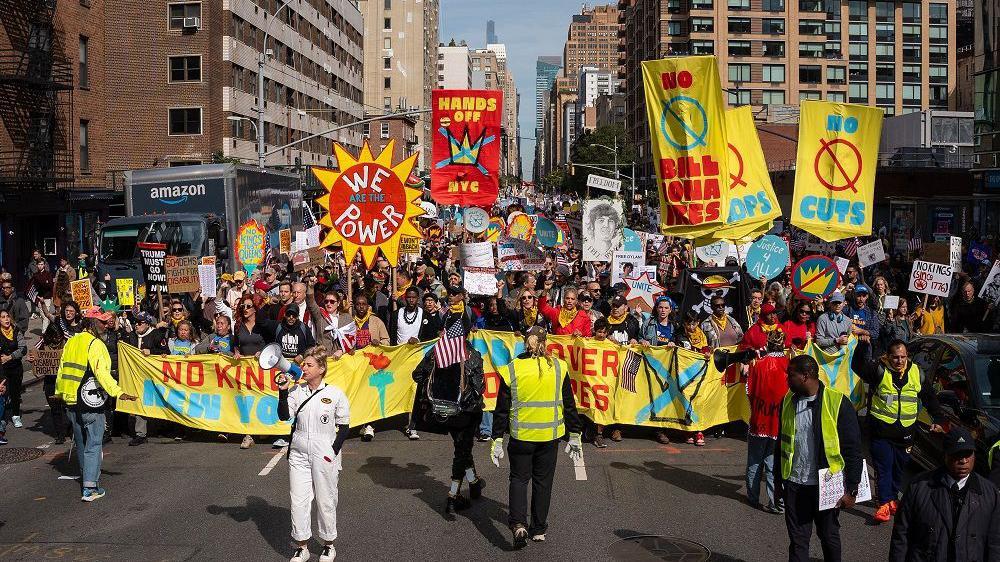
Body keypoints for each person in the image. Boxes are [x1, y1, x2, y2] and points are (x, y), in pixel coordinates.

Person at [491, 326, 584, 547]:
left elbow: (502, 409)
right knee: (543, 483)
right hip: (550, 437)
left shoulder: (512, 369)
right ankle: (539, 529)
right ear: (545, 342)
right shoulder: (559, 367)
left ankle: (518, 524)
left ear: (525, 342)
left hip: (521, 436)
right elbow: (569, 405)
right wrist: (575, 434)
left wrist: (496, 439)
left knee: (519, 479)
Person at [777, 354, 863, 562]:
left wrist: (852, 489)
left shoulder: (837, 402)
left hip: (826, 487)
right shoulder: (787, 400)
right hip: (795, 485)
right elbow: (779, 444)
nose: (787, 379)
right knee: (798, 541)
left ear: (805, 376)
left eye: (791, 375)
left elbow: (853, 450)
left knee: (828, 536)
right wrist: (779, 482)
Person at [851, 338, 944, 524]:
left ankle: (892, 499)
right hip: (881, 433)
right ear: (888, 356)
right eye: (895, 357)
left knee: (898, 469)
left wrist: (938, 419)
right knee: (884, 468)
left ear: (907, 356)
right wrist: (862, 345)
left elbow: (929, 397)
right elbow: (857, 365)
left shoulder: (917, 373)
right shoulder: (878, 370)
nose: (899, 361)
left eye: (903, 357)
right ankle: (884, 503)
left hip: (906, 434)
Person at [54, 307, 138, 501]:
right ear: (92, 323)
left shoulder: (72, 342)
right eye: (101, 321)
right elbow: (102, 374)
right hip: (89, 403)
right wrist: (119, 392)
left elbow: (62, 370)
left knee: (83, 443)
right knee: (93, 444)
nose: (105, 324)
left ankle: (86, 477)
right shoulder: (95, 344)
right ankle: (90, 488)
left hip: (70, 402)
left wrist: (59, 394)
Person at [411, 302, 487, 515]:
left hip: (442, 411)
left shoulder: (437, 352)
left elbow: (416, 375)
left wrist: (434, 386)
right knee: (461, 452)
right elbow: (479, 387)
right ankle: (453, 495)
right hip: (465, 411)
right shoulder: (472, 354)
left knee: (463, 448)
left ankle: (473, 482)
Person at [278, 346, 349, 562]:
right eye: (303, 364)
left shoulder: (334, 393)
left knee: (326, 499)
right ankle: (302, 546)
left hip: (324, 451)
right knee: (298, 500)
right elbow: (283, 416)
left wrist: (332, 452)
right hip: (299, 452)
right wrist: (282, 391)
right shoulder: (296, 391)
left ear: (321, 369)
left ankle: (328, 544)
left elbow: (344, 426)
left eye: (309, 365)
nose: (304, 368)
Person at [889, 427, 1000, 561]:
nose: (964, 461)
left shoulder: (989, 493)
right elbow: (901, 535)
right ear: (945, 455)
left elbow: (995, 543)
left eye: (968, 454)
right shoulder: (919, 487)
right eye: (957, 455)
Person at [352, 293, 389, 442]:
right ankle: (359, 421)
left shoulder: (376, 321)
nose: (361, 307)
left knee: (370, 394)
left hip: (372, 366)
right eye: (358, 304)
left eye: (364, 304)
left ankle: (370, 425)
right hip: (355, 365)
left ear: (368, 306)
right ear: (354, 306)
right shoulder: (349, 322)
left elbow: (387, 340)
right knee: (358, 394)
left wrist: (378, 343)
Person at [0, 309, 26, 440]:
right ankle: (2, 419)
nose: (6, 319)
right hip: (2, 370)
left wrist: (10, 357)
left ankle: (16, 416)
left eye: (7, 317)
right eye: (3, 317)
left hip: (15, 367)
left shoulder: (17, 331)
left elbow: (23, 349)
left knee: (15, 393)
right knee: (3, 394)